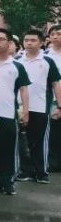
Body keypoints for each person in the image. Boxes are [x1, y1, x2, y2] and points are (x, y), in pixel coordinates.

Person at [0, 28, 31, 196]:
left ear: (9, 42)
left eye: (1, 39)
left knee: (8, 150)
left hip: (8, 115)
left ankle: (7, 181)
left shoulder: (17, 66)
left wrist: (25, 111)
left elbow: (24, 90)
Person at [16, 29, 61, 183]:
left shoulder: (48, 61)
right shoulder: (17, 61)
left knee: (40, 141)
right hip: (20, 108)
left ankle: (41, 172)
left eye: (33, 40)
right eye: (26, 40)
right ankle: (25, 171)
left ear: (41, 42)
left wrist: (59, 106)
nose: (29, 43)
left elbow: (56, 84)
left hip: (41, 107)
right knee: (23, 141)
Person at [46, 25, 61, 172]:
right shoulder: (45, 56)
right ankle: (53, 163)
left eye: (59, 33)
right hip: (52, 100)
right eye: (53, 34)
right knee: (54, 134)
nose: (55, 36)